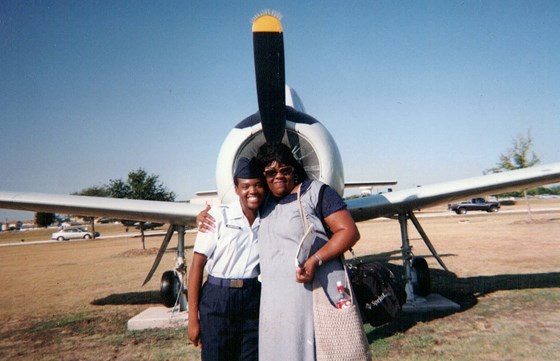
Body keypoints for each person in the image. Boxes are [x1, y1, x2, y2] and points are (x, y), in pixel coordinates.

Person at [197, 143, 361, 361]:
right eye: (271, 172)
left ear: (295, 169)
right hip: (272, 305)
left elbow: (349, 231)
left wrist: (315, 260)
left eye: (285, 170)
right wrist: (204, 217)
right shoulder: (265, 203)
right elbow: (240, 208)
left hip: (310, 297)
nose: (279, 176)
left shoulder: (316, 192)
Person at [187, 157, 265, 361]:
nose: (252, 191)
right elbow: (196, 266)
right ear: (236, 188)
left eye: (258, 185)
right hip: (218, 298)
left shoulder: (268, 217)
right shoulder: (218, 216)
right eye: (246, 186)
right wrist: (192, 320)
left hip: (253, 298)